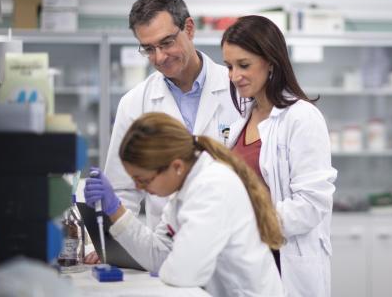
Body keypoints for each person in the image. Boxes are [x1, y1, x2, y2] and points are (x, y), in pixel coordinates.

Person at [84, 112, 284, 296]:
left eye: (143, 180)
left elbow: (184, 272)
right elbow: (158, 256)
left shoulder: (211, 188)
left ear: (176, 166)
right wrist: (116, 210)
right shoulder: (185, 189)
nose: (138, 187)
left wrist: (169, 267)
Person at [221, 15, 337, 297]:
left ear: (271, 62)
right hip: (245, 264)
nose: (235, 76)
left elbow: (311, 205)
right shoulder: (239, 123)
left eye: (244, 65)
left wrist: (249, 222)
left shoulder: (302, 117)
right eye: (229, 66)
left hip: (283, 265)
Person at [104, 0, 240, 232]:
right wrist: (118, 241)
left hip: (230, 237)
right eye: (148, 49)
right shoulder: (135, 103)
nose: (159, 57)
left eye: (166, 43)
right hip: (166, 245)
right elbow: (123, 189)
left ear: (188, 28)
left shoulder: (237, 90)